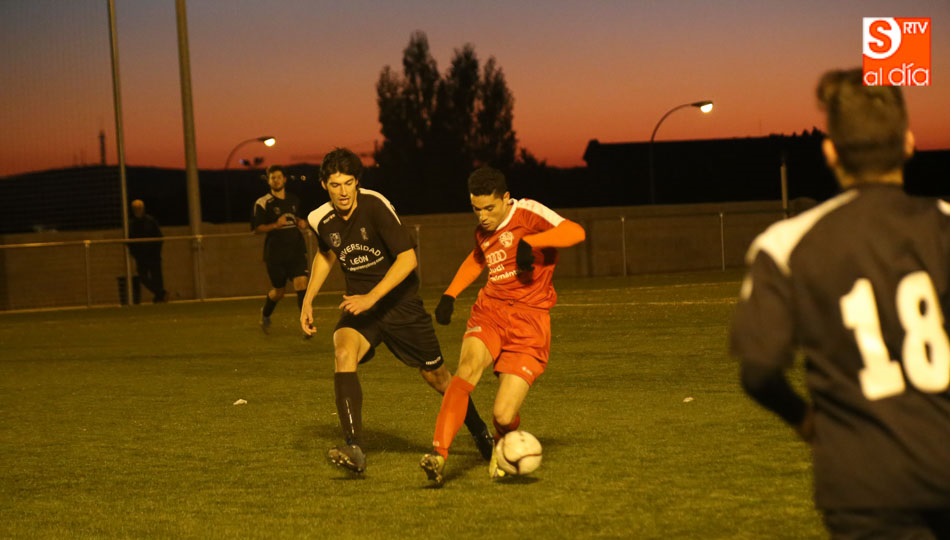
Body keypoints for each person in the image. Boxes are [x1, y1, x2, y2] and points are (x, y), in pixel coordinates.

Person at [730, 68, 949, 539]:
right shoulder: (945, 226)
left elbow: (759, 369)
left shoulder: (787, 243)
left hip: (862, 483)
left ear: (831, 151)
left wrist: (804, 419)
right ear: (909, 143)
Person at [299, 147, 494, 474]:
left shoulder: (375, 206)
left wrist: (371, 297)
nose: (344, 192)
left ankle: (480, 433)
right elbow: (326, 253)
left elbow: (408, 259)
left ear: (357, 182)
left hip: (401, 305)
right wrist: (308, 299)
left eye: (349, 183)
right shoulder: (320, 218)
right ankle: (354, 447)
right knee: (343, 352)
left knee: (439, 378)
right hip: (362, 307)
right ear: (324, 185)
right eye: (336, 185)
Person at [420, 166, 586, 485]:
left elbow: (576, 233)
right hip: (491, 311)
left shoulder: (527, 212)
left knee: (503, 416)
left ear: (506, 199)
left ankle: (503, 446)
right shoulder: (483, 230)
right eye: (476, 208)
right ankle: (438, 455)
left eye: (489, 208)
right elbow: (478, 258)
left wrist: (532, 242)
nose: (482, 216)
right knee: (467, 369)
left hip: (530, 321)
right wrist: (449, 295)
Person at [251, 164, 309, 334]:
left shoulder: (294, 200)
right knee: (279, 292)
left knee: (301, 284)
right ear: (268, 180)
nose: (276, 180)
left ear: (284, 179)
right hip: (275, 255)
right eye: (272, 177)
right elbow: (257, 228)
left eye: (278, 177)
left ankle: (305, 323)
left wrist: (302, 223)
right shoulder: (263, 203)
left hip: (296, 251)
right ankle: (266, 313)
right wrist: (276, 225)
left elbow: (297, 219)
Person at [128, 199, 166, 303]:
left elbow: (159, 237)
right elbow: (130, 240)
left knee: (156, 277)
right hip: (141, 256)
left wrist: (156, 251)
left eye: (139, 208)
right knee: (143, 277)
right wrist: (135, 253)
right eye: (136, 208)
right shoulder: (131, 224)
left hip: (153, 255)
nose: (138, 210)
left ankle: (159, 296)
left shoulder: (150, 221)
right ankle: (160, 293)